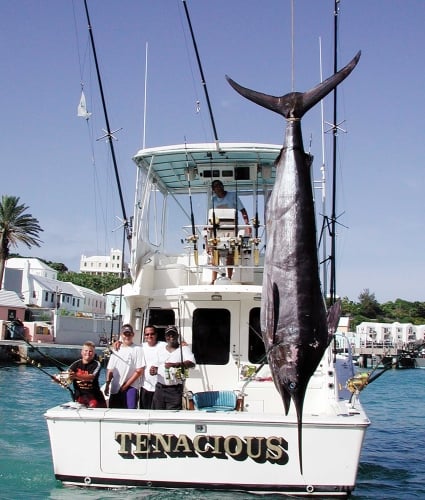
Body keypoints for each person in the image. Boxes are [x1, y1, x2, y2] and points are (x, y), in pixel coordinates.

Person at [210, 179, 251, 282]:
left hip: (232, 229)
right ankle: (213, 280)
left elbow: (243, 211)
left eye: (220, 185)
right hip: (218, 230)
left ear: (223, 186)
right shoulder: (213, 200)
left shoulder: (233, 196)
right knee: (215, 253)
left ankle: (229, 278)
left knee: (230, 253)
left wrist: (247, 225)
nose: (218, 187)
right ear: (213, 190)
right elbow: (210, 217)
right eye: (215, 186)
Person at [152, 325, 195, 410]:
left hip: (174, 390)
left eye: (173, 334)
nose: (171, 337)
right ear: (165, 337)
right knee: (157, 415)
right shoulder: (160, 349)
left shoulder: (184, 348)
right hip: (159, 389)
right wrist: (153, 370)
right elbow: (155, 366)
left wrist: (176, 364)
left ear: (177, 336)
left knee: (171, 417)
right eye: (168, 335)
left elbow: (192, 363)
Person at [105, 324, 145, 409]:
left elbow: (139, 371)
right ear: (121, 335)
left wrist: (126, 385)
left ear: (133, 335)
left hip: (131, 387)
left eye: (129, 334)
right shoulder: (115, 349)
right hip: (115, 388)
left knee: (130, 412)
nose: (127, 336)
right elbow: (110, 369)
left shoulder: (138, 349)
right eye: (125, 334)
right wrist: (107, 385)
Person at [68, 341, 107, 408]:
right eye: (86, 351)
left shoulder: (96, 364)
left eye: (90, 351)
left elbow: (91, 377)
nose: (88, 353)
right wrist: (58, 379)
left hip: (95, 397)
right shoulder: (75, 364)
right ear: (82, 352)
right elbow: (67, 377)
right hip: (80, 397)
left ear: (94, 353)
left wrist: (75, 375)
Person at [139, 325, 166, 409]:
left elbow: (176, 348)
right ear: (144, 336)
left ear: (156, 335)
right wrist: (118, 343)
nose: (149, 336)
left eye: (152, 334)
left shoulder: (164, 345)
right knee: (144, 413)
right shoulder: (140, 347)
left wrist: (183, 345)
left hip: (160, 387)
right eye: (147, 334)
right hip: (145, 386)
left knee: (158, 414)